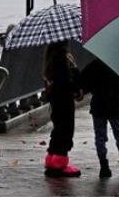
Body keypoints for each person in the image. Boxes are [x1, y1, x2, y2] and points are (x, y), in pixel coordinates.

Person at [80, 59, 119, 179]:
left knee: (100, 137)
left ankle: (104, 167)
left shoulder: (93, 65)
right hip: (115, 107)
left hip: (98, 106)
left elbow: (83, 82)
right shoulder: (118, 65)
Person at [43, 41, 82, 178]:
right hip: (64, 101)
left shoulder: (51, 59)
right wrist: (74, 67)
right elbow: (68, 83)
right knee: (66, 130)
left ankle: (52, 159)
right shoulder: (62, 60)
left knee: (58, 128)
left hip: (55, 101)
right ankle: (59, 163)